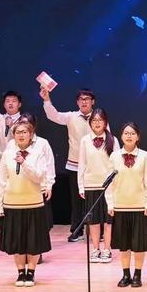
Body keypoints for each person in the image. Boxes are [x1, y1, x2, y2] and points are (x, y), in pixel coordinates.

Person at [0, 119, 53, 286]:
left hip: (33, 202)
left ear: (31, 134)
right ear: (14, 135)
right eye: (18, 132)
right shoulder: (8, 154)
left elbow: (39, 176)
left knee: (33, 240)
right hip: (12, 202)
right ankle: (21, 273)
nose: (21, 135)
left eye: (24, 132)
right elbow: (2, 180)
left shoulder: (38, 152)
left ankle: (31, 273)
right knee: (17, 241)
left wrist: (24, 163)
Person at [41, 87, 98, 242]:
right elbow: (53, 115)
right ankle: (77, 230)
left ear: (92, 101)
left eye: (87, 99)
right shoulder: (71, 116)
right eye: (81, 99)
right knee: (76, 200)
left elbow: (108, 139)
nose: (84, 102)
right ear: (77, 102)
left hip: (95, 166)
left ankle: (98, 231)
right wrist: (46, 100)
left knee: (96, 199)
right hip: (75, 165)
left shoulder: (99, 117)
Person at [106, 122, 147, 288]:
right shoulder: (114, 156)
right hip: (120, 206)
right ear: (121, 136)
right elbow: (109, 183)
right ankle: (125, 274)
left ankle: (137, 274)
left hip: (139, 206)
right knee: (123, 244)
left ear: (137, 137)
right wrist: (110, 204)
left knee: (138, 245)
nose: (129, 136)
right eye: (126, 133)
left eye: (132, 133)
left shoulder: (144, 156)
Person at [77, 109, 115, 263]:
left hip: (108, 186)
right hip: (91, 185)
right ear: (90, 123)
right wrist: (81, 186)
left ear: (105, 122)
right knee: (93, 220)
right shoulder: (85, 141)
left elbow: (116, 164)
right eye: (94, 120)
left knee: (107, 220)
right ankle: (95, 249)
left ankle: (107, 249)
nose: (97, 123)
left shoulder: (112, 140)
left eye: (100, 120)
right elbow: (81, 164)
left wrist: (115, 185)